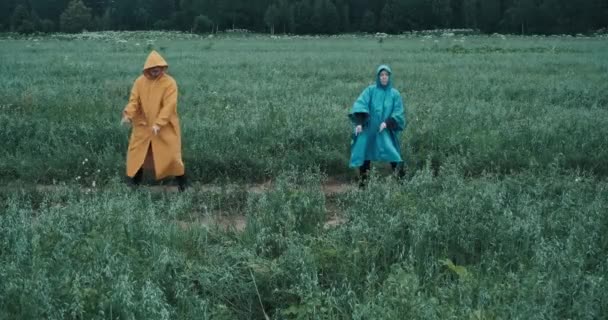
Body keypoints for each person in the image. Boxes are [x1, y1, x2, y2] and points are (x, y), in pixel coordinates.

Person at [121, 50, 187, 191]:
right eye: (152, 70)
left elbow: (169, 106)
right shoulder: (139, 82)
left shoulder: (170, 83)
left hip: (165, 127)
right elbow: (134, 101)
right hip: (143, 127)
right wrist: (128, 115)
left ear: (163, 68)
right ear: (147, 69)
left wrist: (159, 123)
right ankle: (133, 184)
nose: (155, 73)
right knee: (137, 155)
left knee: (172, 156)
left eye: (158, 70)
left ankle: (183, 184)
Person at [348, 64, 406, 187]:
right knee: (365, 154)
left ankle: (402, 182)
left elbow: (398, 112)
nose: (384, 77)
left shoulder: (394, 94)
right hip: (369, 128)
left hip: (384, 129)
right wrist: (359, 123)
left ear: (389, 77)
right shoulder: (370, 90)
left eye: (386, 75)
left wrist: (387, 122)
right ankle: (363, 184)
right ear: (378, 77)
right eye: (381, 75)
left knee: (393, 154)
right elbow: (361, 104)